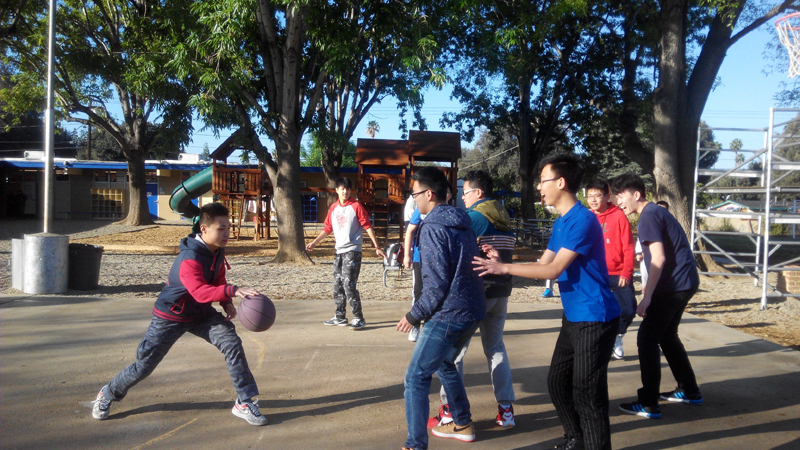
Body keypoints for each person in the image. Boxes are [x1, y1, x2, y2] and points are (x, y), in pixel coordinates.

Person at [474, 153, 620, 450]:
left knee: (587, 393)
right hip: (575, 315)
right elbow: (542, 264)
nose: (539, 187)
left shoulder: (583, 220)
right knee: (557, 382)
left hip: (596, 316)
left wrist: (503, 268)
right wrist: (501, 262)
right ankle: (576, 439)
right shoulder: (562, 223)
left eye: (543, 181)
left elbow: (553, 271)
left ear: (561, 182)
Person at [91, 202, 268, 426]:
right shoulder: (189, 258)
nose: (227, 233)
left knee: (231, 342)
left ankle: (244, 401)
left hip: (200, 313)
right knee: (144, 365)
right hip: (172, 315)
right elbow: (200, 291)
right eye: (221, 228)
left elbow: (218, 279)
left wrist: (226, 303)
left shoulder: (216, 251)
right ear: (204, 229)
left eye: (228, 228)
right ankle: (108, 393)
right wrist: (233, 290)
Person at [397, 167, 487, 450]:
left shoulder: (432, 227)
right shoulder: (462, 221)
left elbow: (435, 286)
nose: (413, 200)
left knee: (415, 377)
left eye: (414, 194)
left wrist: (413, 315)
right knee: (445, 362)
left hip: (449, 313)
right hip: (473, 309)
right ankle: (462, 422)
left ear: (429, 194)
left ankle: (415, 445)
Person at [427, 170, 517, 429]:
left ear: (478, 193)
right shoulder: (503, 215)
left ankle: (449, 408)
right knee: (496, 348)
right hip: (501, 292)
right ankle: (506, 410)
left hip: (476, 294)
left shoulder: (474, 217)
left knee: (453, 352)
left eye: (465, 192)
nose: (462, 198)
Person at [612, 174, 702, 420]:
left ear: (636, 194)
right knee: (667, 336)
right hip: (685, 283)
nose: (619, 201)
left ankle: (649, 402)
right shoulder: (656, 212)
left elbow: (658, 258)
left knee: (647, 339)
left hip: (672, 286)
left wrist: (647, 295)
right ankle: (690, 390)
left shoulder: (649, 215)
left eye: (621, 196)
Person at [306, 177, 386, 330]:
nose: (345, 192)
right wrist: (315, 242)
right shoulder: (333, 208)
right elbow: (327, 228)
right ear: (337, 190)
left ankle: (359, 317)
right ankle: (340, 316)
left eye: (348, 189)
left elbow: (367, 226)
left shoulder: (356, 206)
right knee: (338, 285)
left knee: (349, 284)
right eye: (342, 189)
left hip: (353, 250)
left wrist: (376, 246)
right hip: (339, 251)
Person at [586, 178, 637, 360]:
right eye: (589, 196)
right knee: (597, 311)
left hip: (618, 273)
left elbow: (629, 246)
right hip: (595, 274)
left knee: (628, 309)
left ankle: (618, 336)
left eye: (597, 195)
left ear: (607, 197)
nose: (593, 200)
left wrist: (626, 271)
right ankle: (600, 343)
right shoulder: (587, 217)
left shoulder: (619, 216)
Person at [403, 190, 452, 342]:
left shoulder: (451, 212)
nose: (446, 194)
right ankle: (415, 325)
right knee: (419, 291)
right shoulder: (421, 210)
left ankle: (430, 326)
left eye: (449, 192)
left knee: (438, 292)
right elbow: (410, 231)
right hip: (420, 257)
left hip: (440, 258)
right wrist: (407, 255)